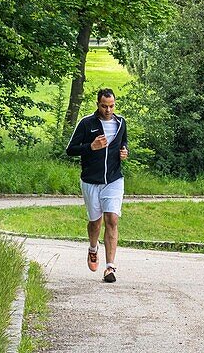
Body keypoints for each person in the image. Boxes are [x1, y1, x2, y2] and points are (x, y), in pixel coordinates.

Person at [66, 88, 128, 283]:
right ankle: (93, 248)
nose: (108, 110)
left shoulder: (121, 123)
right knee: (95, 222)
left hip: (113, 180)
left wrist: (125, 152)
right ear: (97, 104)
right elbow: (70, 150)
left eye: (111, 106)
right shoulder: (86, 123)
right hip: (91, 181)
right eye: (104, 106)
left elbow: (124, 144)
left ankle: (110, 267)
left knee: (112, 219)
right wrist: (90, 147)